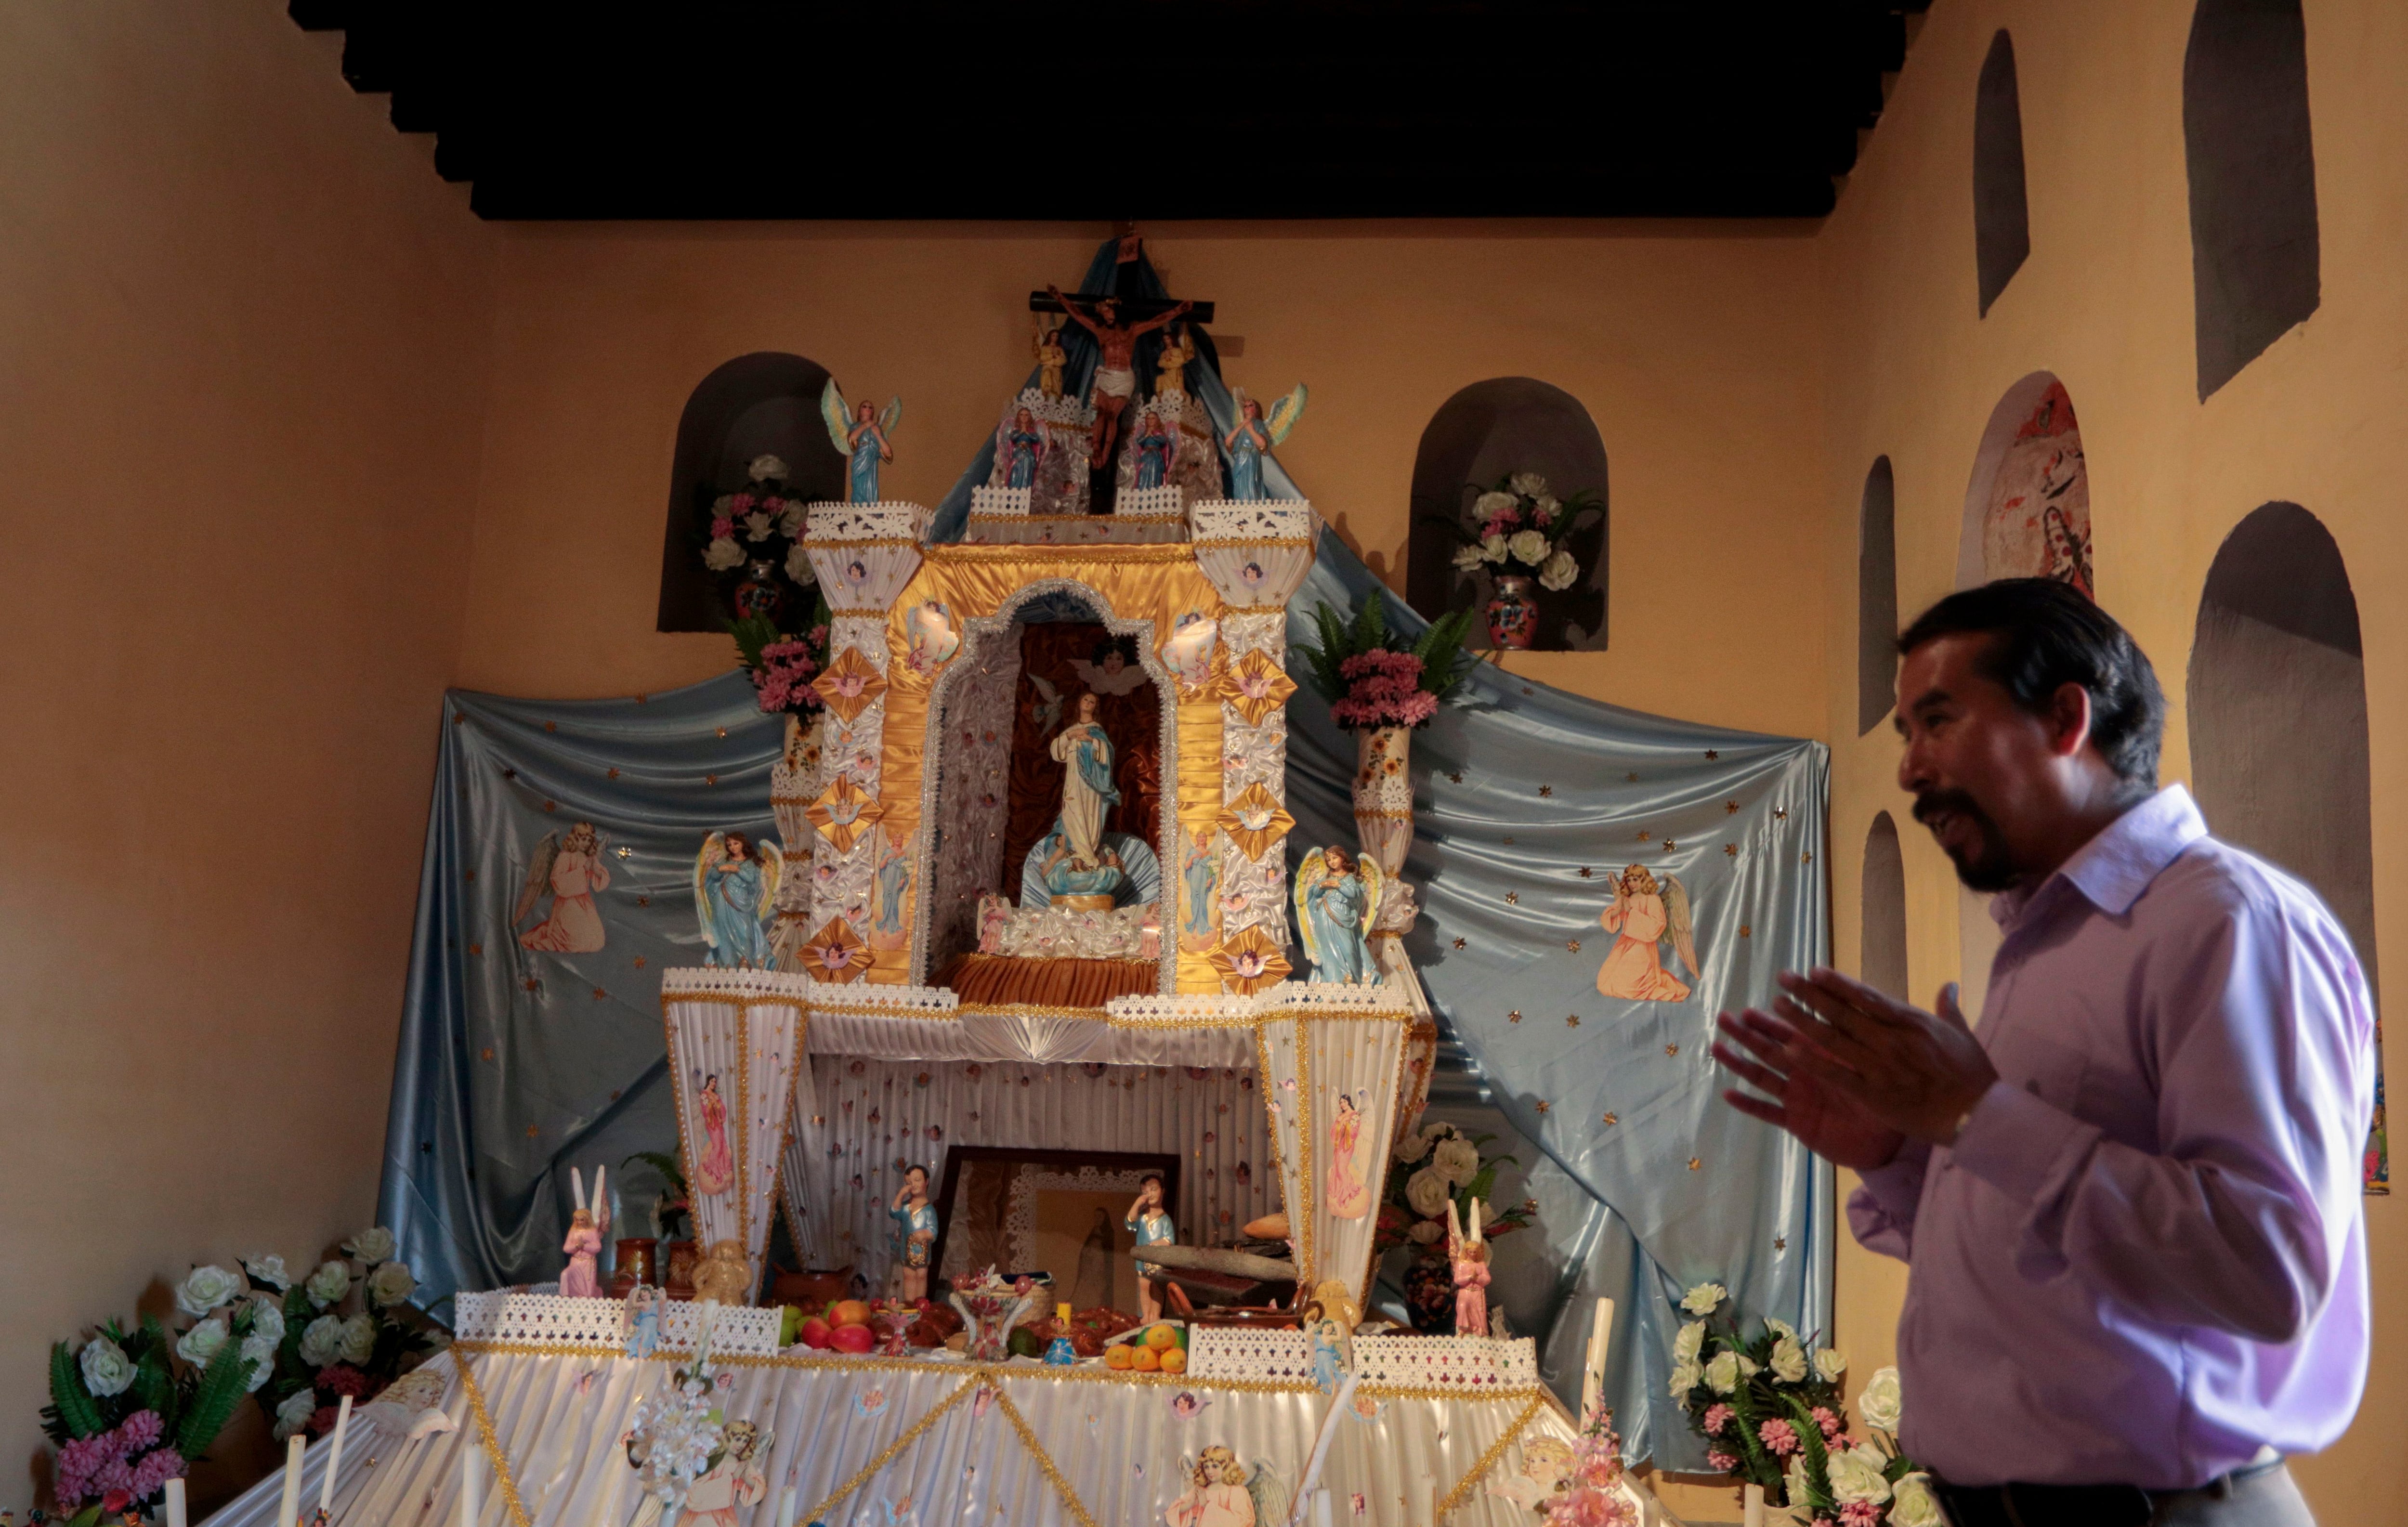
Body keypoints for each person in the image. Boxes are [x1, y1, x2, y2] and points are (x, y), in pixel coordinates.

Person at [1713, 578, 2369, 1527]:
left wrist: (1973, 1115)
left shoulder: (2222, 921)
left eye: (1935, 720)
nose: (1908, 769)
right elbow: (2042, 1248)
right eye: (1904, 733)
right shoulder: (2046, 940)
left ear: (2066, 716)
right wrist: (1903, 1156)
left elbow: (2266, 1268)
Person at [1047, 283, 1192, 468]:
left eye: (1107, 311)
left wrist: (1178, 310)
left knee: (1111, 416)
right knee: (1100, 413)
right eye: (1102, 312)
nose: (1105, 315)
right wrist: (1059, 297)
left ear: (1115, 311)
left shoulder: (1131, 330)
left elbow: (1156, 321)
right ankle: (1097, 448)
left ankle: (1106, 452)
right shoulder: (1100, 331)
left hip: (1124, 377)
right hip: (1107, 374)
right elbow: (1078, 314)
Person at [1125, 1173, 1176, 1322]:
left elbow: (1169, 1240)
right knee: (1144, 1287)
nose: (1150, 1194)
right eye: (1145, 1191)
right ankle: (1145, 1316)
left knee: (1158, 1288)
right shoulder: (1141, 1217)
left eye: (1154, 1189)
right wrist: (1137, 1204)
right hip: (1143, 1261)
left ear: (1163, 1191)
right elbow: (1129, 1223)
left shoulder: (1165, 1219)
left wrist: (1155, 1245)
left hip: (1158, 1262)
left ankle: (1155, 1316)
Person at [890, 1164, 938, 1303]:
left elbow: (934, 1231)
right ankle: (909, 1303)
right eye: (909, 1183)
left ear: (926, 1182)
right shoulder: (906, 1208)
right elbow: (893, 1212)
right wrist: (901, 1194)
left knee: (922, 1275)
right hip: (907, 1250)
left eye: (917, 1180)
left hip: (922, 1252)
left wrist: (926, 1234)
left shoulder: (929, 1210)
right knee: (908, 1275)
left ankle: (920, 1303)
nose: (913, 1185)